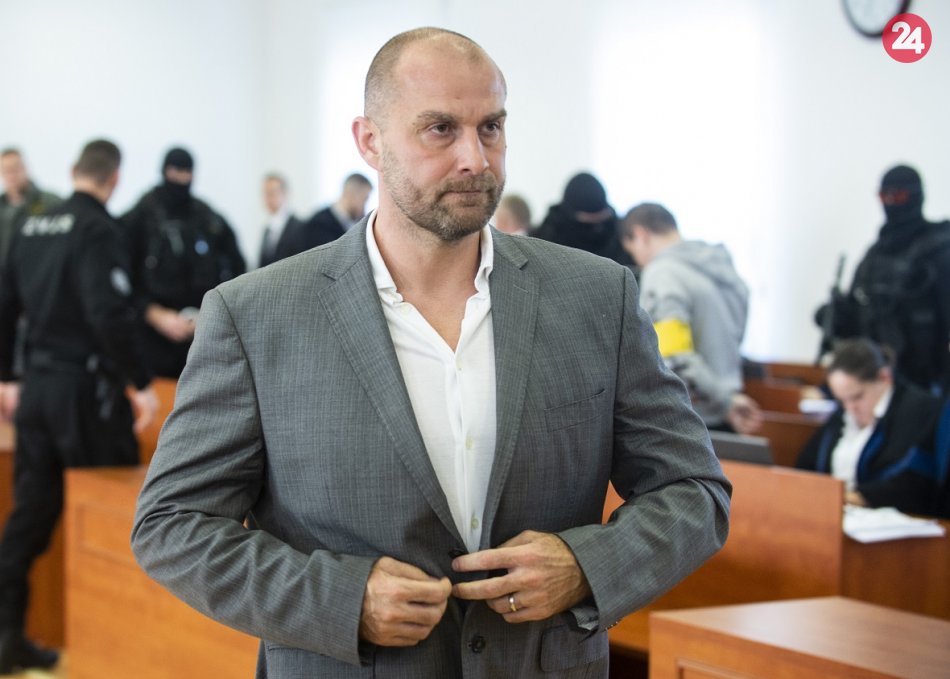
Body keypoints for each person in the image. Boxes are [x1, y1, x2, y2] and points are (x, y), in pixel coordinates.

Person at [131, 28, 730, 679]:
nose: (475, 158)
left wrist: (587, 567)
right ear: (370, 141)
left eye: (491, 127)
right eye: (440, 129)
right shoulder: (256, 316)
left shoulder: (597, 296)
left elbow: (693, 490)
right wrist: (343, 600)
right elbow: (172, 523)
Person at [0, 139, 158, 673]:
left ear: (73, 171)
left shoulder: (30, 224)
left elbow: (4, 305)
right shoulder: (97, 229)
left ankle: (7, 638)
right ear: (115, 179)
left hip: (37, 391)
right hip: (86, 394)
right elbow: (107, 312)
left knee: (29, 517)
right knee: (119, 514)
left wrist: (7, 378)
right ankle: (119, 649)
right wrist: (140, 383)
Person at [621, 202, 762, 434]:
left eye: (632, 251)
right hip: (731, 404)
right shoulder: (721, 267)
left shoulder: (663, 273)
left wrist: (724, 401)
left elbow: (675, 355)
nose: (637, 261)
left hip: (693, 414)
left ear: (641, 235)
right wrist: (727, 399)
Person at [816, 165, 950, 394]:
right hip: (879, 382)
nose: (890, 203)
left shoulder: (938, 251)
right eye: (884, 196)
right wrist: (834, 316)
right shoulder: (875, 256)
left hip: (928, 383)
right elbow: (858, 315)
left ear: (915, 196)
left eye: (898, 196)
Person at [121, 147, 246, 377]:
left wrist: (213, 313)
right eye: (175, 172)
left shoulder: (206, 216)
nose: (181, 179)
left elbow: (237, 267)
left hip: (203, 333)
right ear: (165, 171)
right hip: (154, 337)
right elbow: (123, 277)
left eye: (186, 173)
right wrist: (154, 314)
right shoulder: (140, 216)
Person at [797, 338, 950, 517]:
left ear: (884, 377)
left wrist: (851, 498)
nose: (850, 408)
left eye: (857, 397)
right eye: (842, 400)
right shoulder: (844, 413)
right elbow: (807, 464)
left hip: (882, 517)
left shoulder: (919, 410)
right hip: (833, 511)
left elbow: (911, 483)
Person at [533, 172, 633, 267]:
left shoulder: (620, 234)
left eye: (599, 218)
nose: (595, 228)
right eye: (588, 220)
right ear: (572, 215)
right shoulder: (545, 239)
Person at [0, 148, 62, 265]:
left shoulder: (50, 202)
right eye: (6, 170)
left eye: (15, 169)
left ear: (25, 168)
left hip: (42, 268)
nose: (11, 175)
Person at [304, 172, 373, 247]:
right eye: (364, 199)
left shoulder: (357, 224)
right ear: (349, 194)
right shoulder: (319, 225)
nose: (364, 206)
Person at [258, 172, 306, 268]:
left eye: (272, 193)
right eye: (265, 193)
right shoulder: (267, 229)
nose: (268, 198)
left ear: (285, 194)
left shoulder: (300, 227)